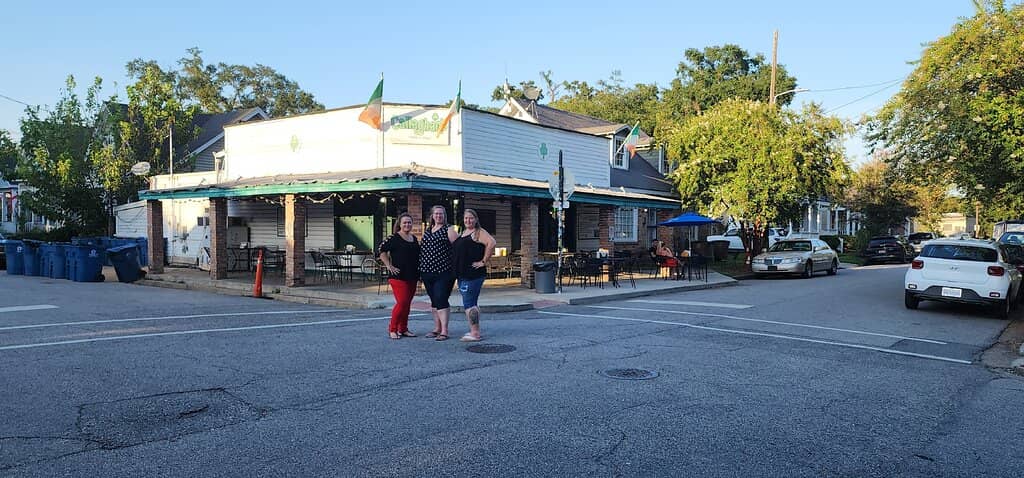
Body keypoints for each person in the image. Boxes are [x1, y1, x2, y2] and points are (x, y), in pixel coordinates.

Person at [452, 208, 496, 342]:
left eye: (471, 218)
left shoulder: (478, 232)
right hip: (463, 274)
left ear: (476, 219)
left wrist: (483, 261)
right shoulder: (464, 232)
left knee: (469, 303)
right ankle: (474, 330)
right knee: (472, 302)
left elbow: (492, 243)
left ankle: (475, 333)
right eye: (466, 218)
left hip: (472, 275)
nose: (468, 220)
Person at [419, 205, 459, 341]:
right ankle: (436, 328)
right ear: (432, 216)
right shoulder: (428, 230)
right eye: (436, 214)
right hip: (427, 271)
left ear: (444, 215)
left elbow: (458, 249)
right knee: (434, 300)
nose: (438, 216)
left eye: (441, 214)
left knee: (441, 298)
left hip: (444, 272)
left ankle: (444, 330)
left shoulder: (449, 230)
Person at [379, 213, 420, 340]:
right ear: (400, 224)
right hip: (398, 276)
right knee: (401, 302)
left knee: (407, 304)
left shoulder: (414, 238)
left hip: (412, 276)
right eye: (405, 222)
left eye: (409, 222)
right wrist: (388, 265)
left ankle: (403, 329)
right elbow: (381, 250)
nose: (407, 224)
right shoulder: (394, 238)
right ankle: (393, 328)